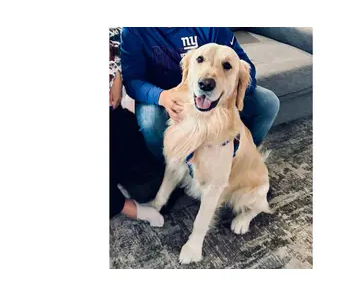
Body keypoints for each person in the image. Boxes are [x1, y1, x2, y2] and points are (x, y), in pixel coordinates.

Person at [120, 27, 280, 163]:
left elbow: (245, 69)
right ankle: (168, 166)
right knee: (151, 123)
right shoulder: (133, 30)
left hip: (216, 91)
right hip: (164, 93)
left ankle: (239, 157)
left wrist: (227, 98)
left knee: (268, 103)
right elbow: (133, 80)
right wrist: (161, 96)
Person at [109, 28, 164, 226]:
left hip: (114, 111)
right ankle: (129, 208)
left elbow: (114, 35)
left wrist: (117, 75)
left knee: (147, 187)